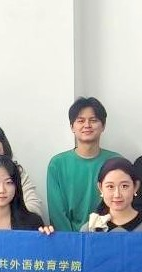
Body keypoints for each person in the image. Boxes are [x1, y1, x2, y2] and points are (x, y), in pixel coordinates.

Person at [47, 97, 120, 231]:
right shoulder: (57, 164)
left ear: (103, 126)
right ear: (72, 127)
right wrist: (72, 240)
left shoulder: (116, 161)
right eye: (80, 121)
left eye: (93, 120)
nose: (87, 125)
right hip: (69, 239)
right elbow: (57, 214)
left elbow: (122, 206)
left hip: (108, 235)